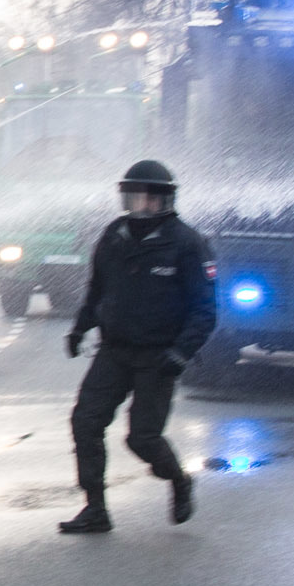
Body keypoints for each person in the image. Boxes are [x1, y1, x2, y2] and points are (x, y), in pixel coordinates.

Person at [59, 159, 215, 534]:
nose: (138, 205)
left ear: (164, 200)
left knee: (142, 438)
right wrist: (80, 329)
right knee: (85, 422)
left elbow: (205, 310)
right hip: (114, 350)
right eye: (132, 197)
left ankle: (178, 480)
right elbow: (97, 290)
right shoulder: (114, 236)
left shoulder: (188, 244)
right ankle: (95, 507)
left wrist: (181, 354)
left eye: (146, 198)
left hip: (157, 357)